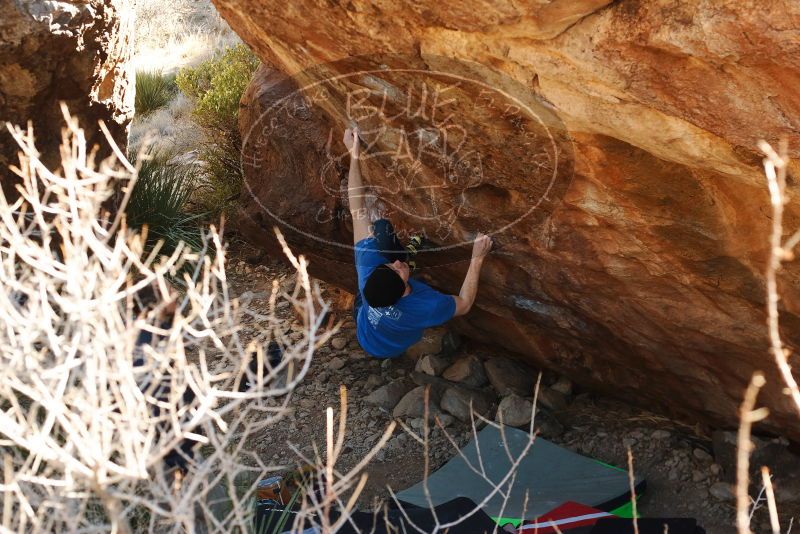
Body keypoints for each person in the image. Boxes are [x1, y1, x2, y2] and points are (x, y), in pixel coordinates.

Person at [342, 127, 492, 358]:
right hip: (389, 346)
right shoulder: (424, 308)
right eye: (398, 271)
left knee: (380, 228)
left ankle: (408, 251)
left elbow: (357, 210)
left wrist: (353, 154)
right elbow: (464, 303)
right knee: (391, 245)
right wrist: (476, 259)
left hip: (366, 325)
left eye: (391, 265)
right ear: (403, 292)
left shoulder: (369, 272)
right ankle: (410, 252)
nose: (396, 265)